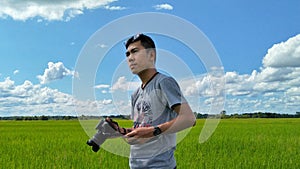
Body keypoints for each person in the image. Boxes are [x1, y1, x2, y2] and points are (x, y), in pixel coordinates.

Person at [122, 33, 196, 169]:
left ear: (151, 55)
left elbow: (189, 119)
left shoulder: (163, 83)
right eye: (127, 54)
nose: (130, 58)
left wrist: (153, 131)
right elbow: (142, 127)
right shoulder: (135, 94)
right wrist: (120, 131)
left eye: (135, 51)